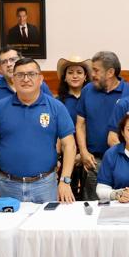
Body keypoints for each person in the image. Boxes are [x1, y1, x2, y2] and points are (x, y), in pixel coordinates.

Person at [0, 58, 77, 204]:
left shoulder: (56, 107)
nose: (26, 79)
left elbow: (69, 145)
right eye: (20, 75)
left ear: (40, 79)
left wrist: (65, 181)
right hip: (7, 185)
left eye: (31, 74)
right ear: (13, 79)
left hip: (45, 185)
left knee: (46, 220)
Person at [75, 51, 129, 200]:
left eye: (96, 70)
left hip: (122, 162)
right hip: (94, 162)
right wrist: (83, 151)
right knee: (93, 206)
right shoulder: (87, 90)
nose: (92, 74)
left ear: (110, 72)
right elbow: (80, 124)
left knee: (123, 204)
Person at [55, 55, 90, 195]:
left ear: (85, 77)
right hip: (65, 157)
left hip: (89, 156)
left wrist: (83, 153)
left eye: (79, 72)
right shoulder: (58, 102)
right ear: (64, 77)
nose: (75, 76)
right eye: (70, 72)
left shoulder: (91, 99)